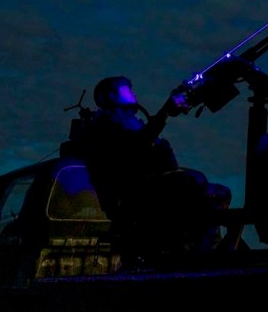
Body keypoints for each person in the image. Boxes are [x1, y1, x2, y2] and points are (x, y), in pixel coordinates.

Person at [73, 75, 236, 262]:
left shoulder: (129, 122)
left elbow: (156, 154)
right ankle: (200, 253)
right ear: (111, 95)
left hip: (146, 188)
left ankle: (205, 248)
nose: (134, 93)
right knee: (195, 181)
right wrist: (165, 111)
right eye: (127, 90)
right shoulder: (105, 125)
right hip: (133, 195)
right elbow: (136, 145)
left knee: (218, 193)